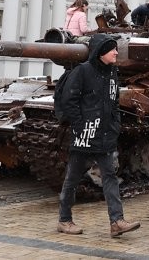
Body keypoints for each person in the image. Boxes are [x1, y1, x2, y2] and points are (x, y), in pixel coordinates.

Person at [57, 33, 140, 238]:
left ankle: (117, 222)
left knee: (110, 177)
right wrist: (79, 125)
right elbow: (69, 100)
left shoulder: (112, 73)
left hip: (105, 135)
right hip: (85, 134)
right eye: (112, 49)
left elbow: (114, 103)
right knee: (73, 178)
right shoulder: (82, 71)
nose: (115, 52)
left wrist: (114, 126)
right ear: (101, 52)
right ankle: (64, 220)